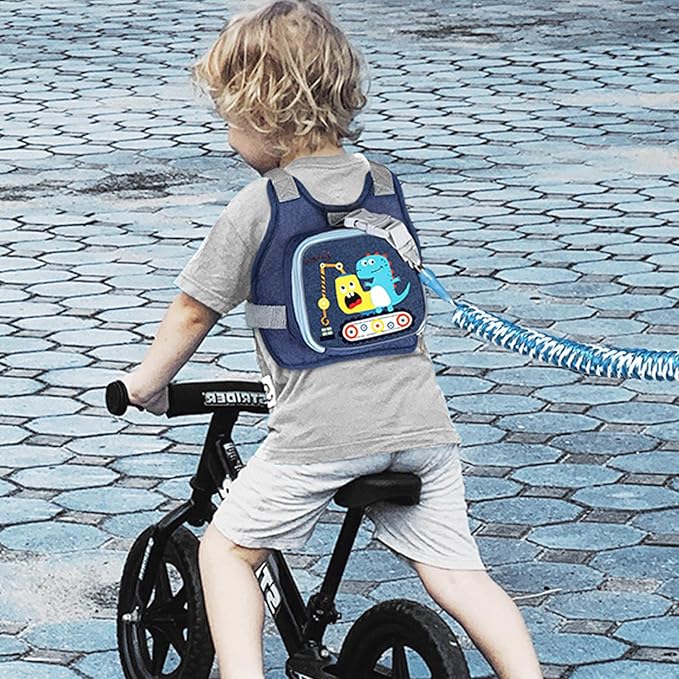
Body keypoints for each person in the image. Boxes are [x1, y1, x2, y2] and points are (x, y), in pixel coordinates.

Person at [120, 1, 543, 677]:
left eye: (227, 119)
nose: (226, 137)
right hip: (423, 428)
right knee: (460, 576)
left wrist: (145, 384)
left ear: (262, 112)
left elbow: (194, 311)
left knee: (226, 552)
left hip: (321, 436)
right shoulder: (384, 187)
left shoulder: (258, 205)